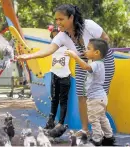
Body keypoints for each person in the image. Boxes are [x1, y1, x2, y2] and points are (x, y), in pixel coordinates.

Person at [16, 4, 115, 139]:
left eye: (61, 19)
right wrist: (29, 56)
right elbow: (49, 50)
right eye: (56, 19)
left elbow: (105, 39)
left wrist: (95, 56)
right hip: (82, 61)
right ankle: (85, 129)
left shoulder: (89, 25)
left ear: (71, 18)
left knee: (99, 95)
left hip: (103, 61)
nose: (58, 23)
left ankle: (103, 131)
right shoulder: (62, 36)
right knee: (82, 95)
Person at [65, 38, 115, 146]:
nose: (86, 51)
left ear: (96, 53)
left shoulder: (96, 64)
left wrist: (75, 56)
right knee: (102, 118)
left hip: (95, 98)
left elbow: (85, 67)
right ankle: (109, 137)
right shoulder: (99, 63)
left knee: (93, 119)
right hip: (100, 97)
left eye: (88, 49)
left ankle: (97, 139)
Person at [44, 25, 71, 129]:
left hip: (65, 77)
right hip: (54, 75)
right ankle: (51, 121)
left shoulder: (68, 45)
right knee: (54, 100)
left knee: (63, 101)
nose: (56, 37)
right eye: (54, 36)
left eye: (58, 35)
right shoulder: (52, 46)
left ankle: (60, 123)